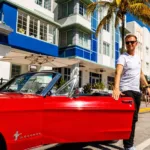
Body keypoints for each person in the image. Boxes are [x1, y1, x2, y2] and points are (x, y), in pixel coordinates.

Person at [112, 33, 150, 150]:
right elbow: (118, 72)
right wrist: (116, 88)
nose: (130, 44)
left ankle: (125, 138)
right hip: (126, 90)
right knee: (130, 118)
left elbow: (141, 74)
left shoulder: (138, 59)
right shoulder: (123, 57)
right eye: (127, 42)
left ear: (136, 44)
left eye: (132, 42)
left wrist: (147, 86)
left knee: (133, 119)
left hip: (136, 91)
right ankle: (128, 145)